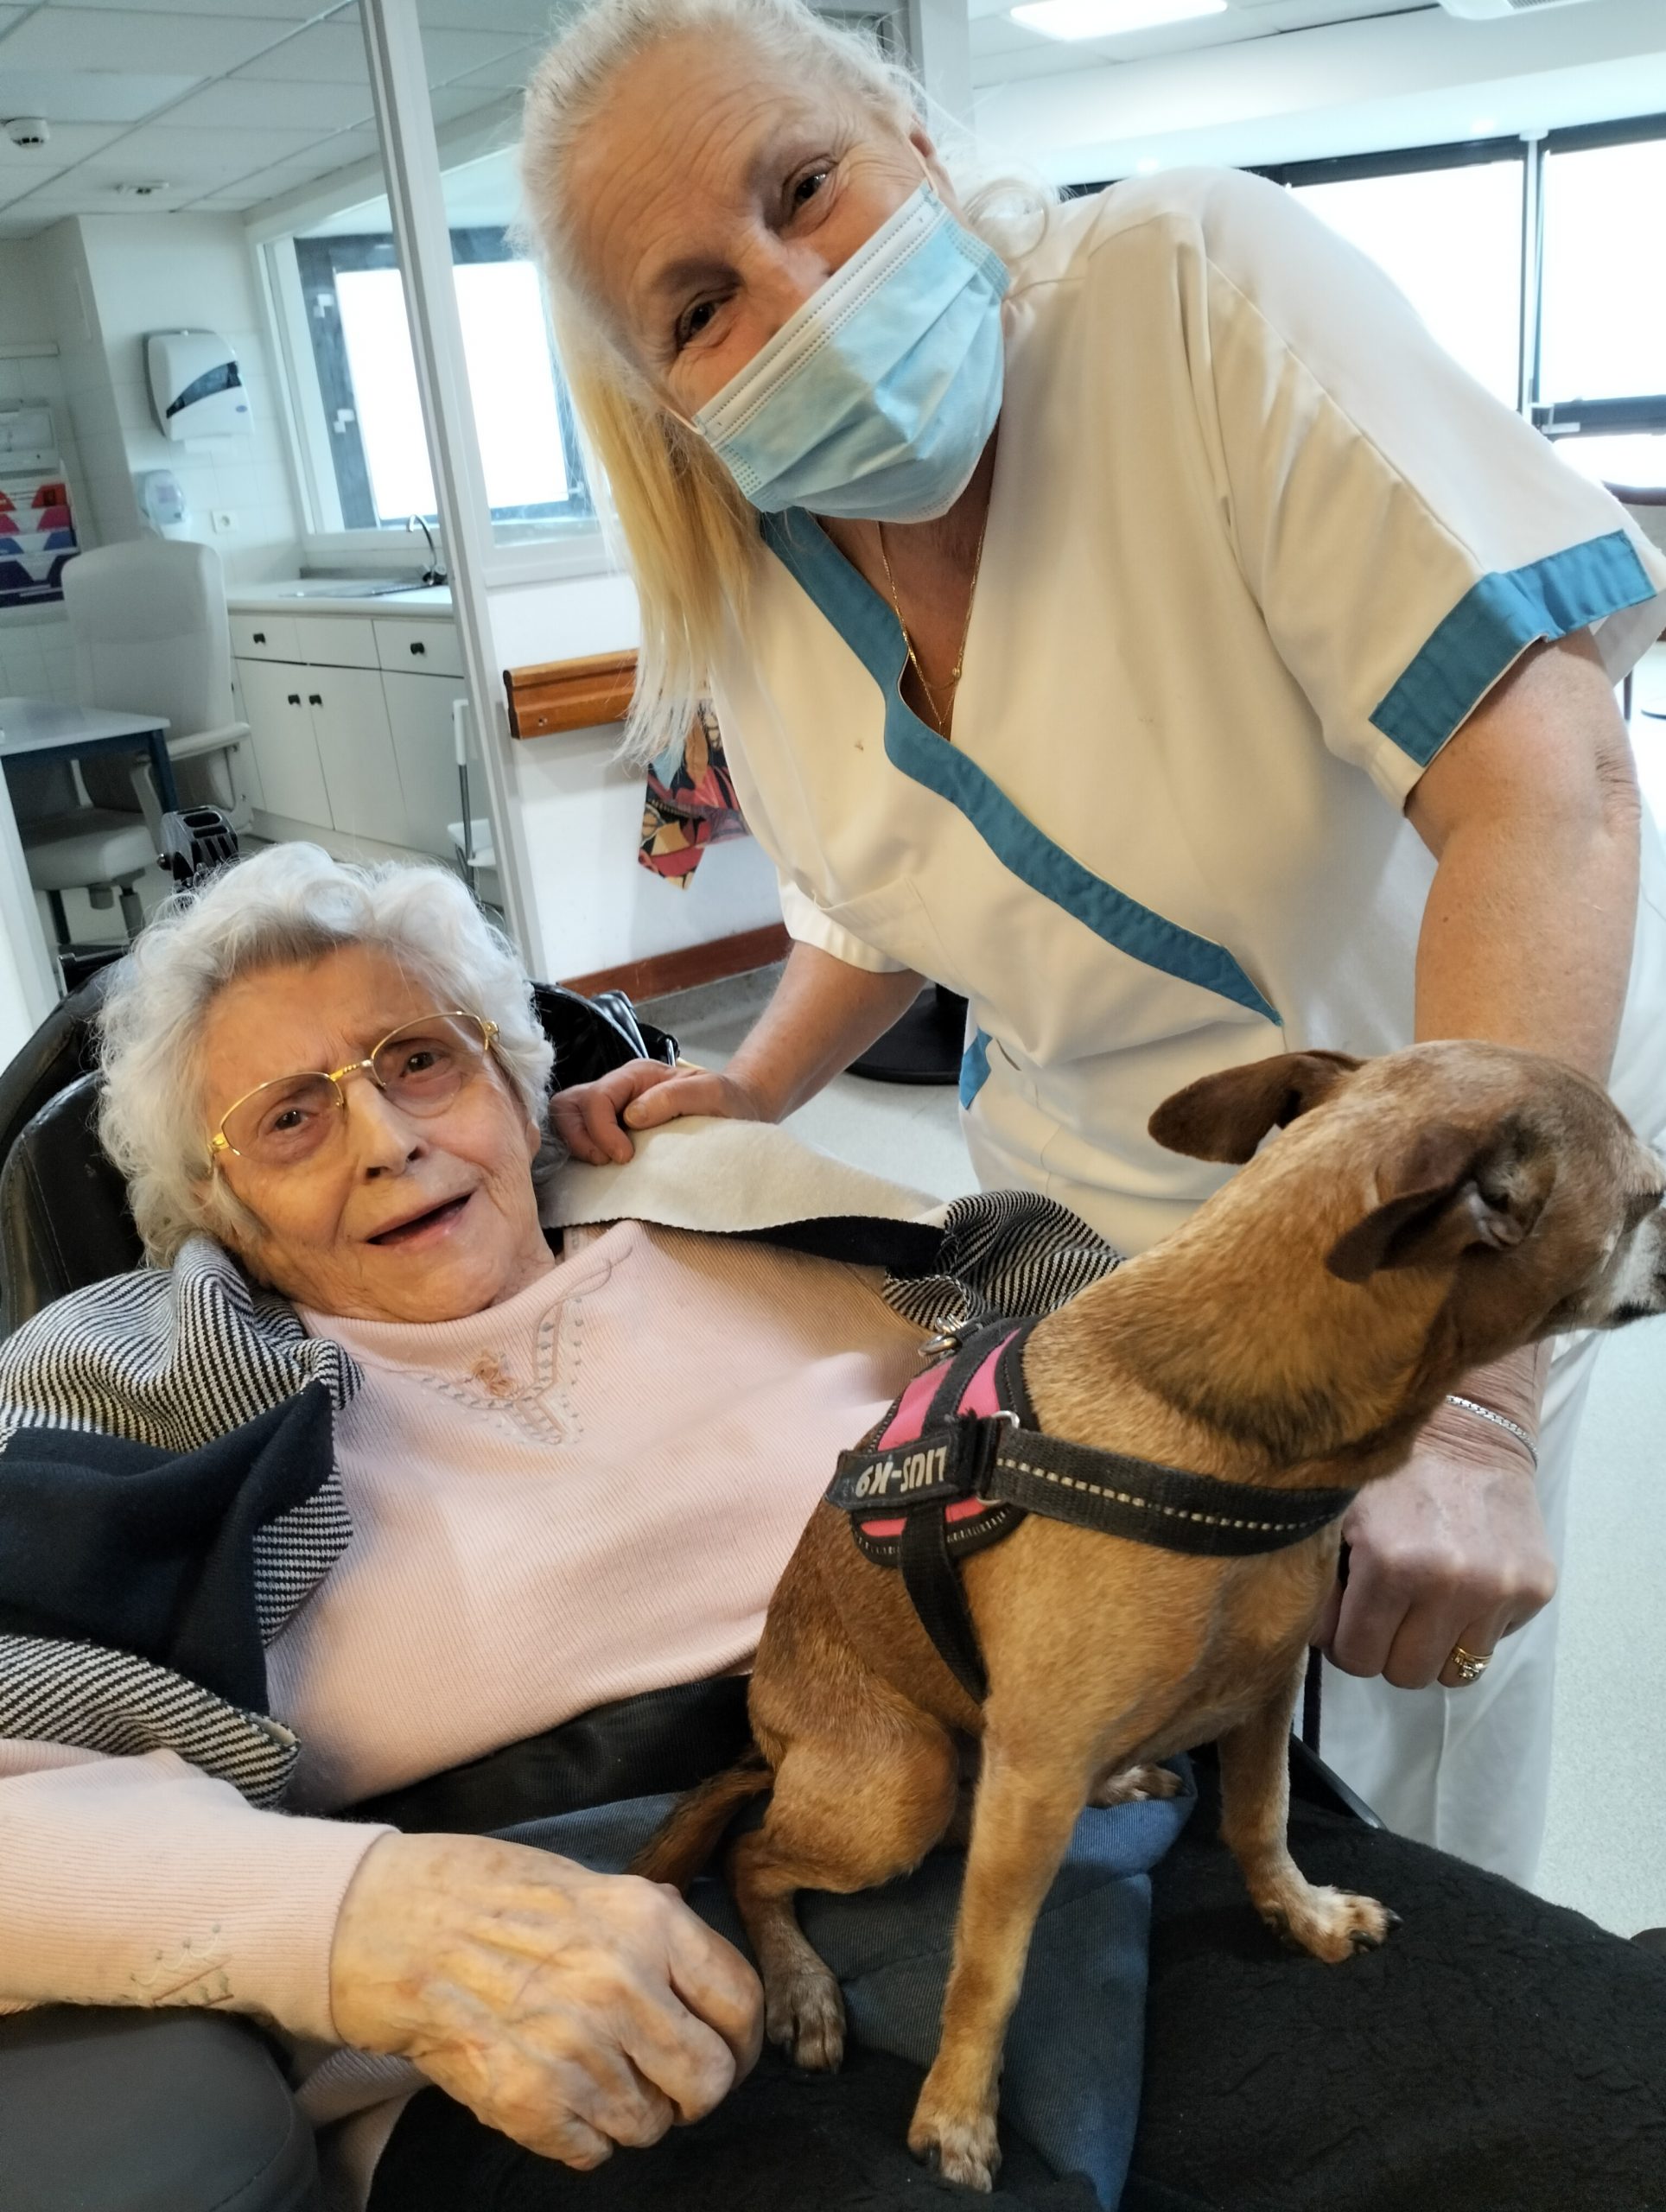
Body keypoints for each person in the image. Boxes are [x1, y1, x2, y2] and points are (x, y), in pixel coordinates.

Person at [3, 844, 1665, 2212]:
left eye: (422, 1059)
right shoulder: (125, 1393)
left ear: (518, 1080)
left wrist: (1454, 1417)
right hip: (611, 1964)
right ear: (213, 1208)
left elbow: (1192, 1371)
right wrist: (365, 1923)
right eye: (288, 1119)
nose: (388, 1135)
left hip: (1108, 1812)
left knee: (1601, 2113)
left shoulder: (789, 1217)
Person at [518, 0, 1666, 1885]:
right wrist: (754, 1077)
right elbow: (887, 886)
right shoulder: (761, 578)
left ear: (912, 131)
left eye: (807, 185)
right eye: (700, 302)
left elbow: (1544, 784)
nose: (796, 291)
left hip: (1462, 1149)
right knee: (1133, 1701)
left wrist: (1470, 1388)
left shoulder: (1191, 292)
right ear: (667, 397)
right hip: (1106, 1196)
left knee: (1384, 1703)